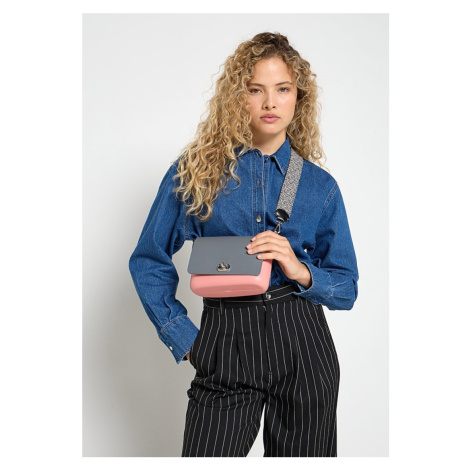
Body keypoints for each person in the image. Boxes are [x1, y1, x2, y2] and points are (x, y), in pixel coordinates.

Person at [129, 31, 359, 458]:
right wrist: (187, 340)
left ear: (299, 97)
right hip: (225, 338)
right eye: (256, 90)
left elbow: (346, 288)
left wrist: (299, 269)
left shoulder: (319, 186)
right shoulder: (195, 172)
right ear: (238, 96)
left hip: (302, 342)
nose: (270, 102)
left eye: (283, 89)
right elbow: (148, 260)